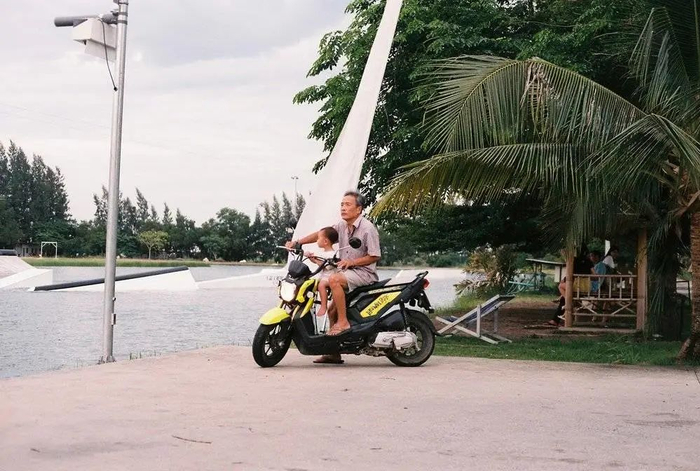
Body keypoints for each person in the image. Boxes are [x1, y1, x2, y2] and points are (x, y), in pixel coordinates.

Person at [288, 190, 381, 364]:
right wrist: (298, 242)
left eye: (348, 205)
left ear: (359, 209)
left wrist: (352, 262)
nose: (343, 208)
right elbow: (321, 234)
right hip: (346, 272)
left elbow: (375, 256)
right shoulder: (341, 226)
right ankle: (333, 352)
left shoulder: (368, 229)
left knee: (334, 279)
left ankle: (343, 322)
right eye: (342, 204)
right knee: (332, 311)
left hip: (364, 273)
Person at [304, 226, 339, 318]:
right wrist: (311, 258)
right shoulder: (323, 253)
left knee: (321, 285)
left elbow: (328, 267)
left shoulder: (332, 254)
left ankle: (324, 306)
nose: (317, 240)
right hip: (323, 276)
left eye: (319, 238)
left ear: (325, 241)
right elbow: (319, 263)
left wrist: (316, 260)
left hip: (330, 277)